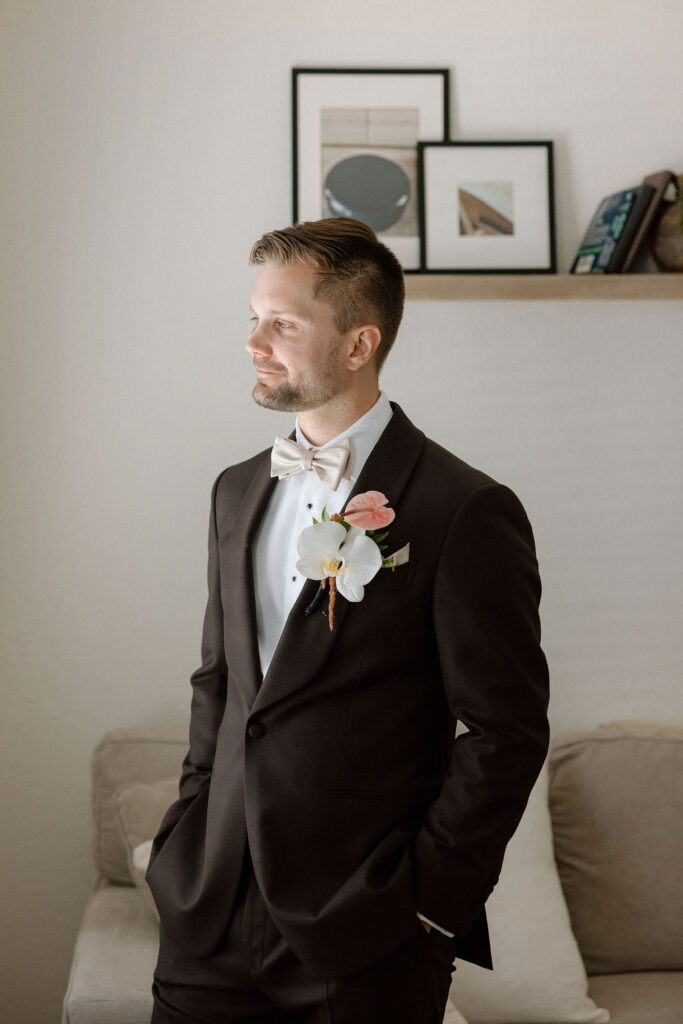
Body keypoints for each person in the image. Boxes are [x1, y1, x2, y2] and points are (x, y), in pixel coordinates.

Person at [146, 216, 550, 1024]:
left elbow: (505, 731)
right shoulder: (235, 490)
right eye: (254, 319)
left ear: (358, 344)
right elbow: (218, 682)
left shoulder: (462, 508)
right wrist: (183, 834)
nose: (255, 341)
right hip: (207, 914)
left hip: (366, 933)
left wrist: (429, 903)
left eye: (282, 324)